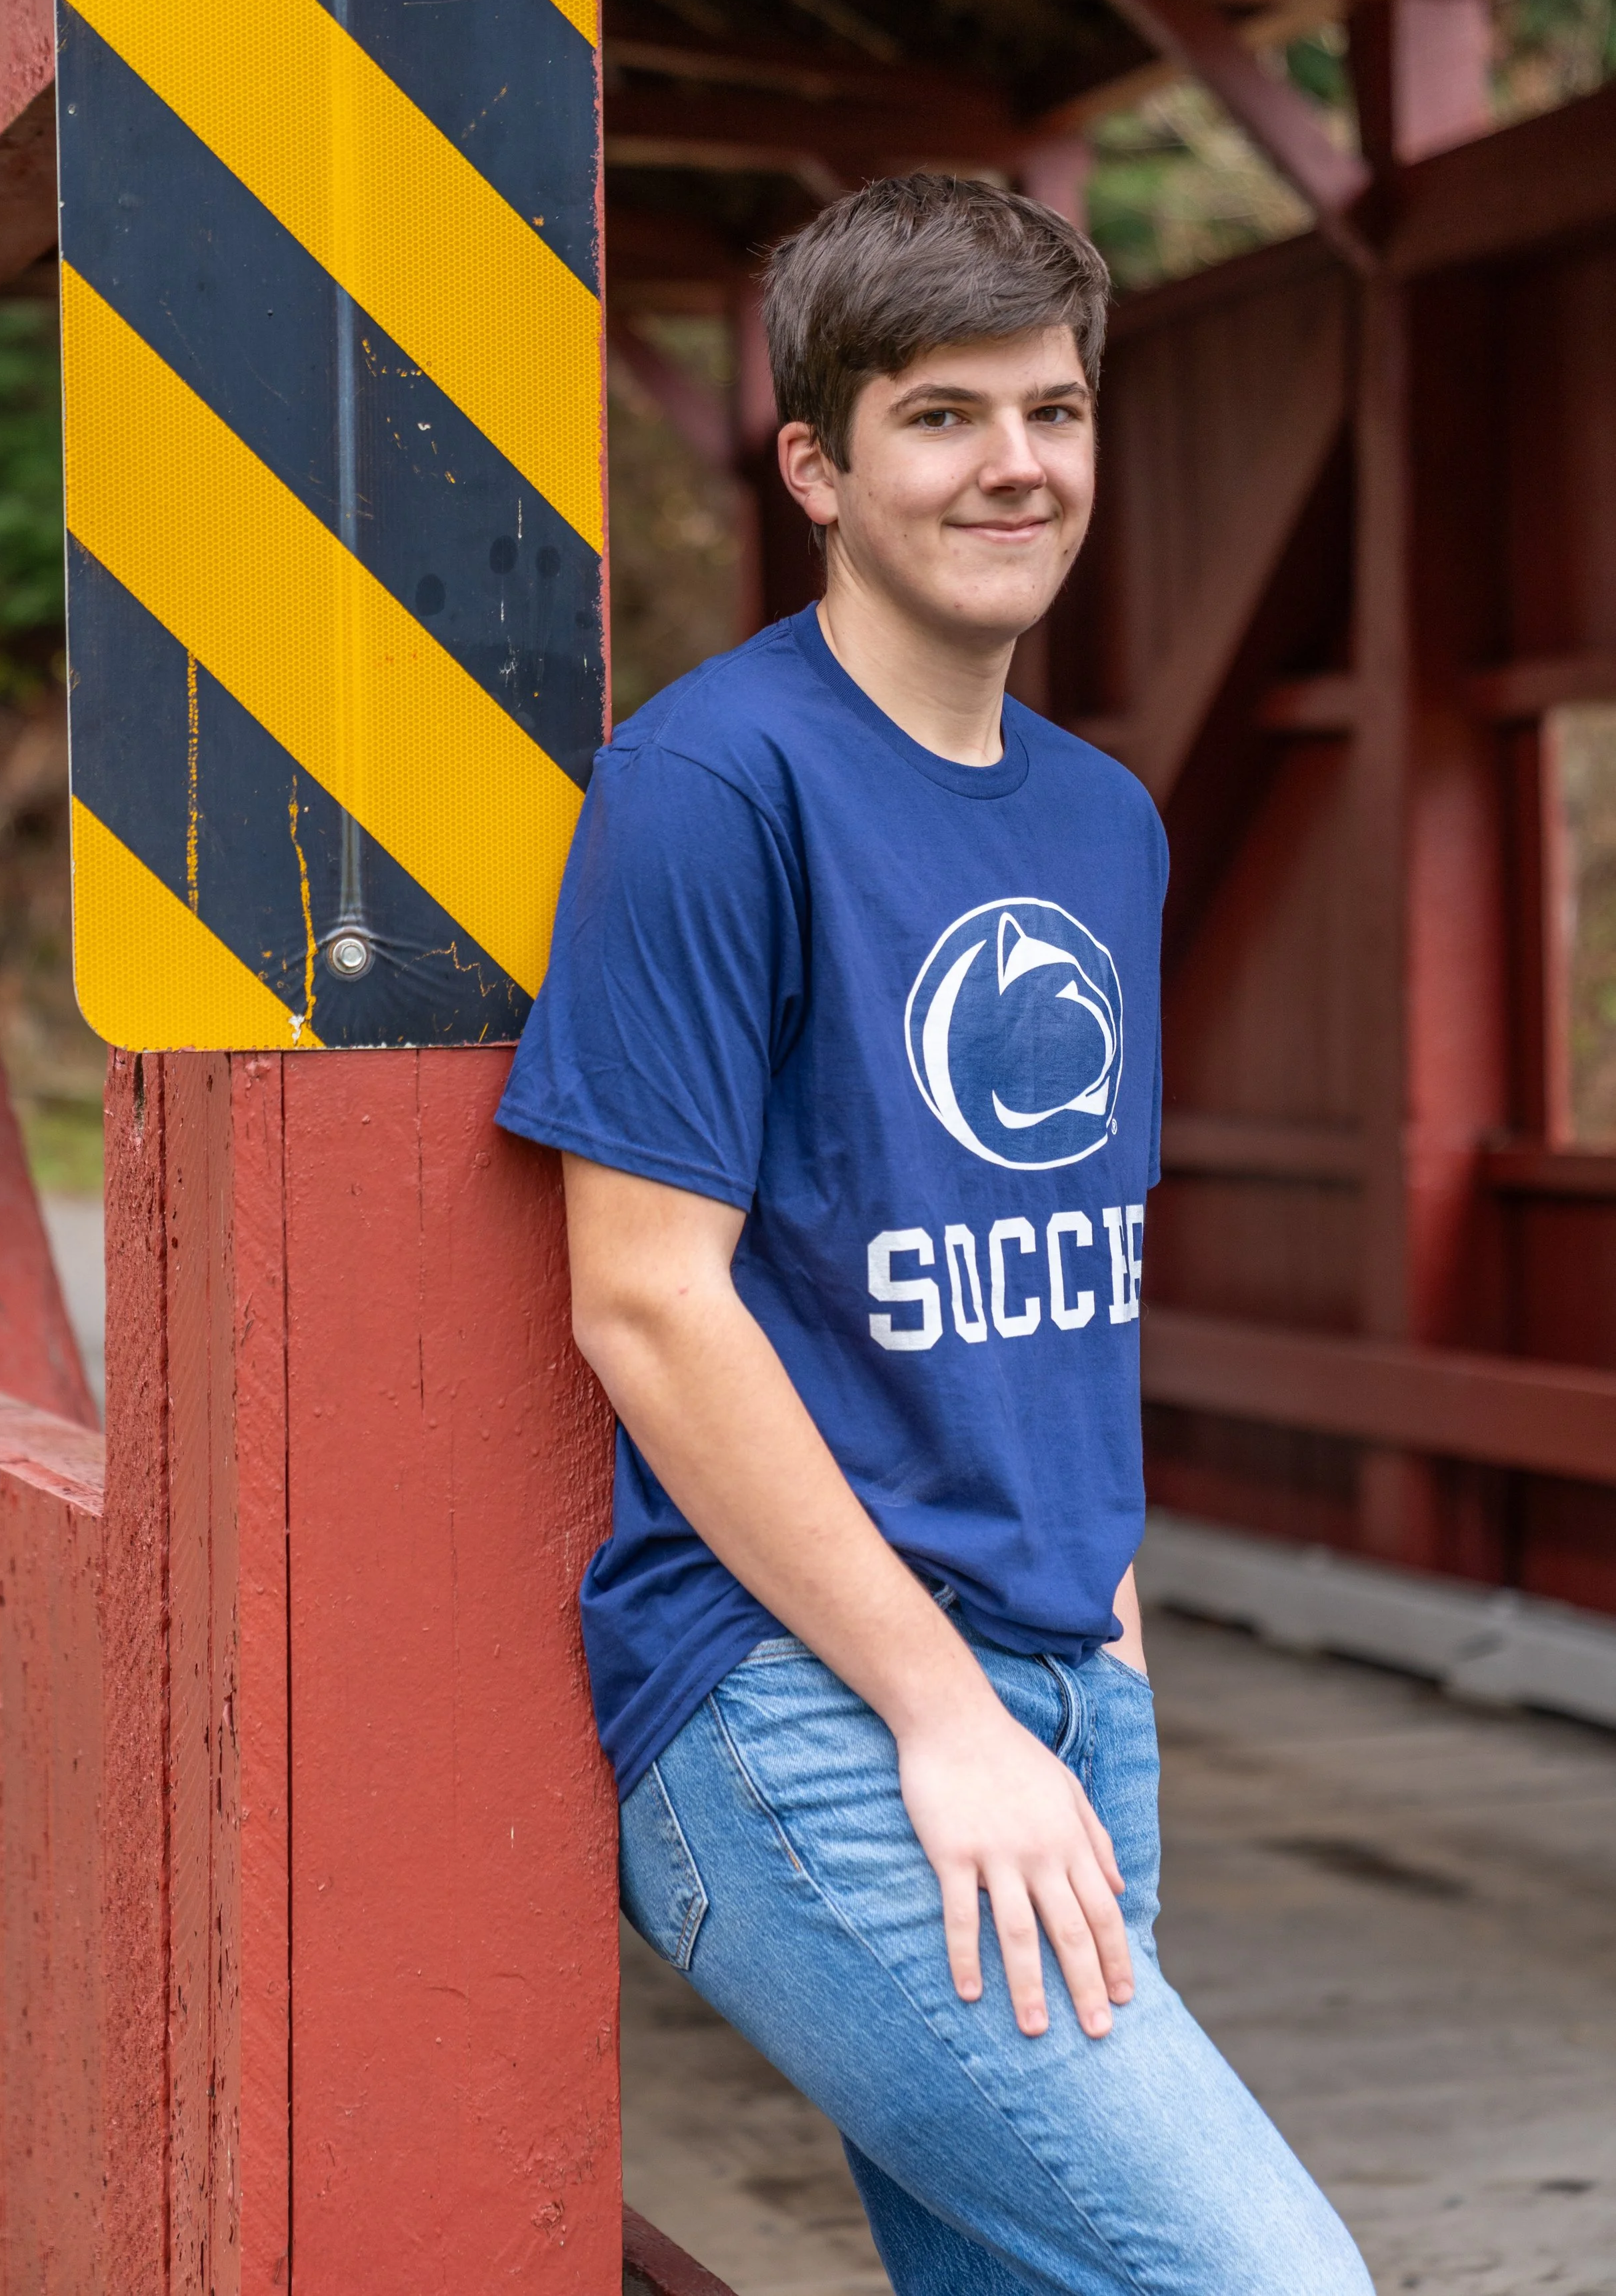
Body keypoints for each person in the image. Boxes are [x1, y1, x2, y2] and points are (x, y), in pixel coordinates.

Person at [497, 174, 1373, 2296]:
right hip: (801, 1697)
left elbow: (1060, 1271)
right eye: (941, 415)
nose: (1015, 464)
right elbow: (645, 1297)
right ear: (815, 465)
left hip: (1066, 1684)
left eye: (1053, 410)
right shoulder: (712, 786)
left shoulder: (1098, 819)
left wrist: (1107, 1656)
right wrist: (942, 1712)